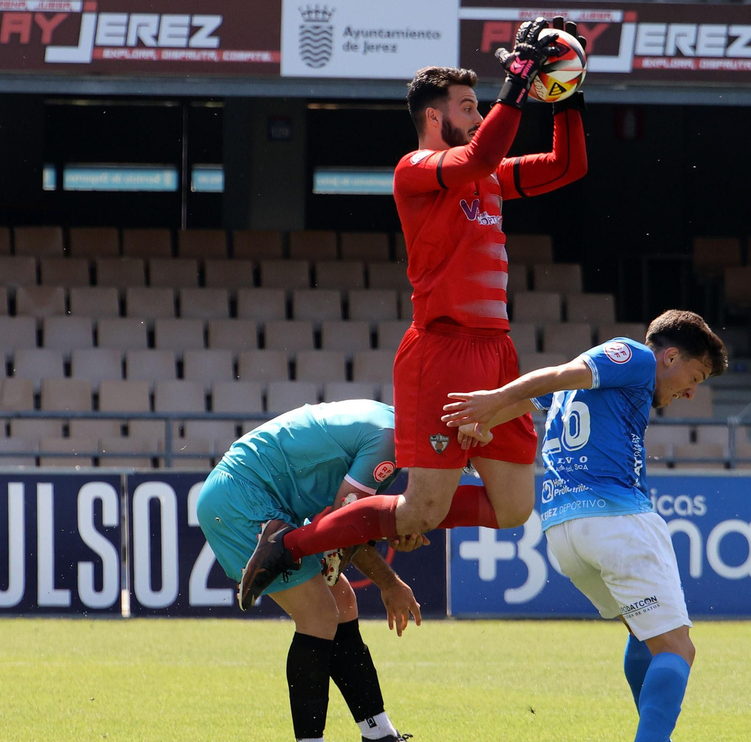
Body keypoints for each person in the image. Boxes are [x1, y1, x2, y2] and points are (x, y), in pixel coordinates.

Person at [235, 18, 589, 609]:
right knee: (422, 509)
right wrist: (519, 83)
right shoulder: (415, 169)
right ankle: (291, 543)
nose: (478, 115)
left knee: (513, 507)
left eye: (480, 106)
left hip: (495, 351)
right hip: (441, 351)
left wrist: (567, 95)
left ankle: (371, 518)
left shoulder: (488, 175)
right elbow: (481, 154)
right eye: (467, 107)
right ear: (433, 116)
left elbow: (566, 167)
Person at [440, 311, 726, 742]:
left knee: (644, 634)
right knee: (678, 648)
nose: (691, 392)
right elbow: (549, 376)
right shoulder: (634, 356)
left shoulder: (599, 380)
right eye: (694, 376)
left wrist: (485, 418)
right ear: (670, 356)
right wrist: (491, 399)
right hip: (616, 520)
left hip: (563, 528)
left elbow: (537, 396)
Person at [198, 400, 440, 742]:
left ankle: (378, 737)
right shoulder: (389, 442)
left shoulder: (390, 427)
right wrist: (390, 579)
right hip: (242, 498)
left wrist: (392, 546)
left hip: (251, 493)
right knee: (320, 615)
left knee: (342, 604)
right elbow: (347, 522)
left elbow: (349, 521)